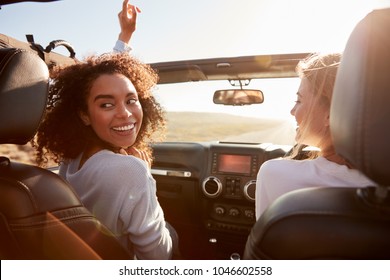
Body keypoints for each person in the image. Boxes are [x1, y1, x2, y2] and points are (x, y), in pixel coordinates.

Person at [32, 1, 177, 260]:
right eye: (107, 104)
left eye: (131, 100)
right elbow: (158, 256)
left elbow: (101, 80)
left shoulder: (73, 157)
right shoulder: (130, 170)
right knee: (172, 235)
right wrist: (147, 175)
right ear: (84, 115)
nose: (125, 113)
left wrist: (124, 38)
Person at [255, 53, 375, 220]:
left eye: (299, 101)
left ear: (332, 115)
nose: (292, 111)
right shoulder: (379, 191)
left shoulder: (274, 174)